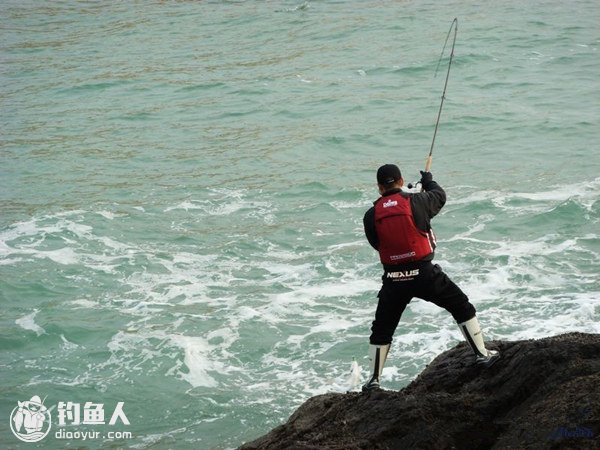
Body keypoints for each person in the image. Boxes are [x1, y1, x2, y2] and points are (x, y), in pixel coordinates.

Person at [362, 164, 499, 392]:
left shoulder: (371, 215)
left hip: (394, 279)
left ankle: (374, 380)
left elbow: (376, 243)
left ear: (379, 188)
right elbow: (440, 196)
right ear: (400, 180)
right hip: (425, 274)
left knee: (382, 328)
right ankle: (482, 354)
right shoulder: (418, 201)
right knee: (461, 305)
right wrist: (428, 181)